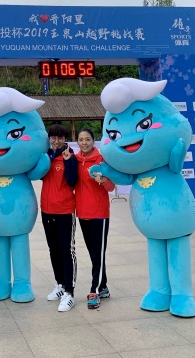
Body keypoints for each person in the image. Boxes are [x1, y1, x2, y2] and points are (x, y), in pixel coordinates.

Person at [75, 127, 115, 310]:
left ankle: (95, 290)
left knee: (98, 253)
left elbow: (111, 186)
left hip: (99, 213)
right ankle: (104, 286)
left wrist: (103, 181)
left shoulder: (102, 159)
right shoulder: (75, 160)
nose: (84, 143)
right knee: (94, 253)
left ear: (93, 141)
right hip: (82, 213)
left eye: (88, 139)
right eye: (81, 140)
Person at [41, 124, 78, 312]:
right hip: (47, 210)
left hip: (64, 210)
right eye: (53, 138)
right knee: (53, 249)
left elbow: (72, 181)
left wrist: (68, 161)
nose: (56, 141)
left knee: (66, 250)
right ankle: (60, 285)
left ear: (65, 139)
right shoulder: (46, 156)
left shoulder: (70, 156)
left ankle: (70, 292)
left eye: (60, 138)